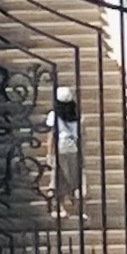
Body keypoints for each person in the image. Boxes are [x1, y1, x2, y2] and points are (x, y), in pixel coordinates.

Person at [46, 88, 84, 219]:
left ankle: (61, 207)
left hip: (60, 149)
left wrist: (49, 154)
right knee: (74, 178)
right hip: (74, 148)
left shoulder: (54, 115)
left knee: (60, 178)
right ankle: (78, 208)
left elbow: (52, 135)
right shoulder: (77, 115)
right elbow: (81, 135)